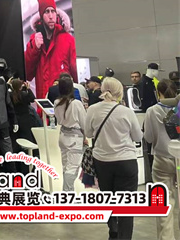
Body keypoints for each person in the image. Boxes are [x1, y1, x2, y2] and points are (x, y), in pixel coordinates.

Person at [85, 77, 142, 240]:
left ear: (102, 90)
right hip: (126, 161)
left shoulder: (92, 109)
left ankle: (113, 230)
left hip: (102, 161)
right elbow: (138, 137)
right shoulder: (126, 111)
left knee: (108, 198)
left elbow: (88, 133)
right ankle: (124, 237)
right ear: (120, 92)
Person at [25, 0, 77, 98]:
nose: (50, 16)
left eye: (53, 11)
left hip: (63, 100)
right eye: (46, 12)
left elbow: (75, 71)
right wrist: (35, 49)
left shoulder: (68, 40)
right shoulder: (34, 40)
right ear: (41, 15)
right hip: (43, 102)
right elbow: (28, 74)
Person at [143, 79, 179, 240]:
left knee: (164, 204)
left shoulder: (152, 111)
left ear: (158, 92)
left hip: (162, 160)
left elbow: (149, 137)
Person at [54, 76, 86, 191]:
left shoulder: (57, 102)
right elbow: (84, 122)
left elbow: (58, 120)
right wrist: (85, 136)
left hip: (63, 135)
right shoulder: (76, 103)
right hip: (75, 137)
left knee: (66, 165)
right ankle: (67, 192)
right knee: (72, 167)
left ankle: (68, 191)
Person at [9, 78, 39, 148]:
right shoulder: (24, 94)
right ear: (21, 86)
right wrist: (28, 89)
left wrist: (8, 85)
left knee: (16, 137)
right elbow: (32, 99)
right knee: (27, 137)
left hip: (15, 119)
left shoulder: (10, 95)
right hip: (25, 118)